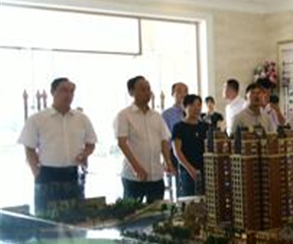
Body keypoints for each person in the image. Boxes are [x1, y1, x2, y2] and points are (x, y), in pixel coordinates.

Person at [18, 77, 97, 215]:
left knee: (75, 217)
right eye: (64, 90)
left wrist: (85, 154)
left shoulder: (82, 118)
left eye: (72, 91)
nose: (68, 95)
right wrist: (36, 173)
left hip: (74, 174)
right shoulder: (37, 119)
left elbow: (91, 143)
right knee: (46, 219)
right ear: (53, 92)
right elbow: (29, 148)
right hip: (47, 174)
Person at [115, 76, 175, 203]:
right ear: (132, 92)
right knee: (132, 212)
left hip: (156, 175)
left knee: (157, 210)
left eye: (149, 89)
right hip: (134, 177)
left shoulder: (156, 116)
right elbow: (122, 143)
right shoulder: (124, 115)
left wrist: (168, 161)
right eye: (142, 89)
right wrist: (136, 168)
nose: (147, 93)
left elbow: (164, 140)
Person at [172, 94, 208, 197]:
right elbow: (177, 151)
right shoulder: (179, 127)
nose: (197, 108)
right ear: (184, 107)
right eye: (192, 105)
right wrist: (190, 169)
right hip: (187, 171)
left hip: (206, 171)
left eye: (199, 105)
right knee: (190, 199)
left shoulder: (205, 126)